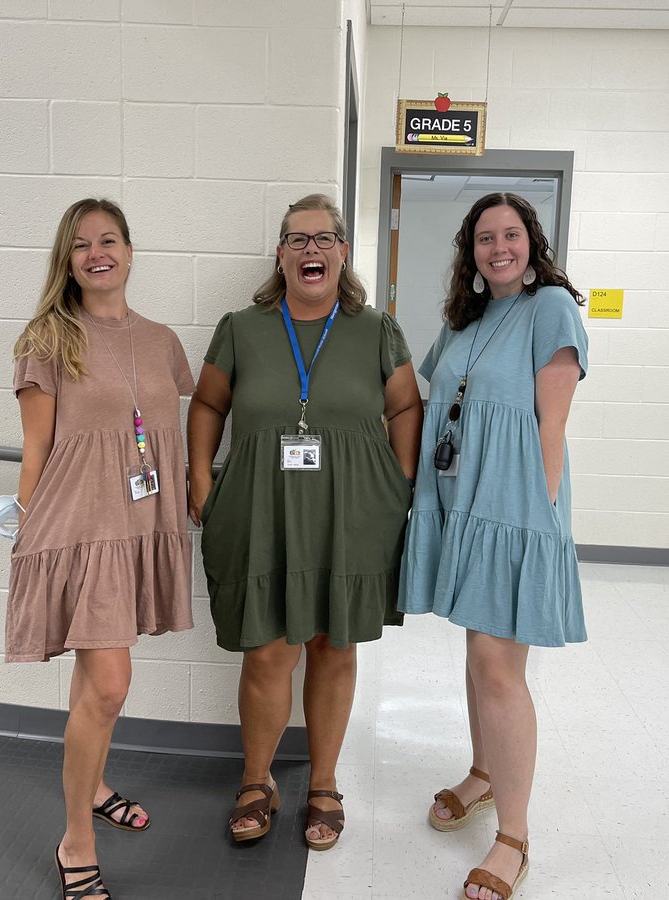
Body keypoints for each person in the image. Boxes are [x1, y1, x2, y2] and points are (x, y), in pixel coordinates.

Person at [187, 194, 422, 851]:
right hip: (263, 508)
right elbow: (208, 401)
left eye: (324, 239)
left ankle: (324, 784)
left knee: (333, 644)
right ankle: (257, 782)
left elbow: (405, 408)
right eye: (297, 240)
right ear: (281, 255)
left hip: (350, 514)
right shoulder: (242, 326)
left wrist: (399, 482)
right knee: (267, 648)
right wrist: (200, 476)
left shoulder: (377, 330)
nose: (310, 250)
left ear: (343, 252)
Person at [399, 192, 588, 900]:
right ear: (470, 251)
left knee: (496, 663)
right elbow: (432, 401)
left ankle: (514, 837)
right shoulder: (465, 319)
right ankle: (483, 773)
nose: (498, 248)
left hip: (512, 508)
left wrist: (537, 520)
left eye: (511, 235)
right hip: (458, 500)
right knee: (478, 654)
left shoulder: (552, 309)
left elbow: (552, 423)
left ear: (531, 243)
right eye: (485, 238)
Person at [7, 198, 196, 899]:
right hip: (80, 530)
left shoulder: (163, 340)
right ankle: (74, 841)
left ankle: (94, 786)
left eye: (108, 239)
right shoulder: (48, 339)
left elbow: (175, 423)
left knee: (96, 688)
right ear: (68, 258)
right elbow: (37, 449)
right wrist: (30, 533)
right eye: (81, 244)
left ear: (129, 250)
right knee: (111, 685)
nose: (97, 253)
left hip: (139, 527)